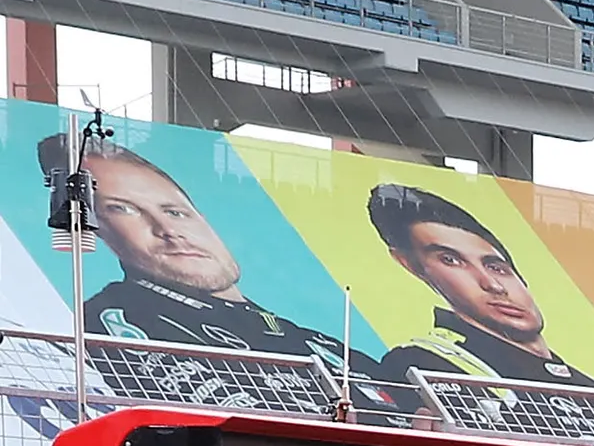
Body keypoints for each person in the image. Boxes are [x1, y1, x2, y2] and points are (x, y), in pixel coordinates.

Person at [54, 135, 391, 394]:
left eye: (175, 212)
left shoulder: (315, 340)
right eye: (123, 209)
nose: (169, 231)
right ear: (99, 228)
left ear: (203, 219)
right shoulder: (115, 319)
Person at [365, 184, 594, 400]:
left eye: (496, 267)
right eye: (451, 260)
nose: (493, 285)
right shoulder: (422, 365)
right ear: (411, 265)